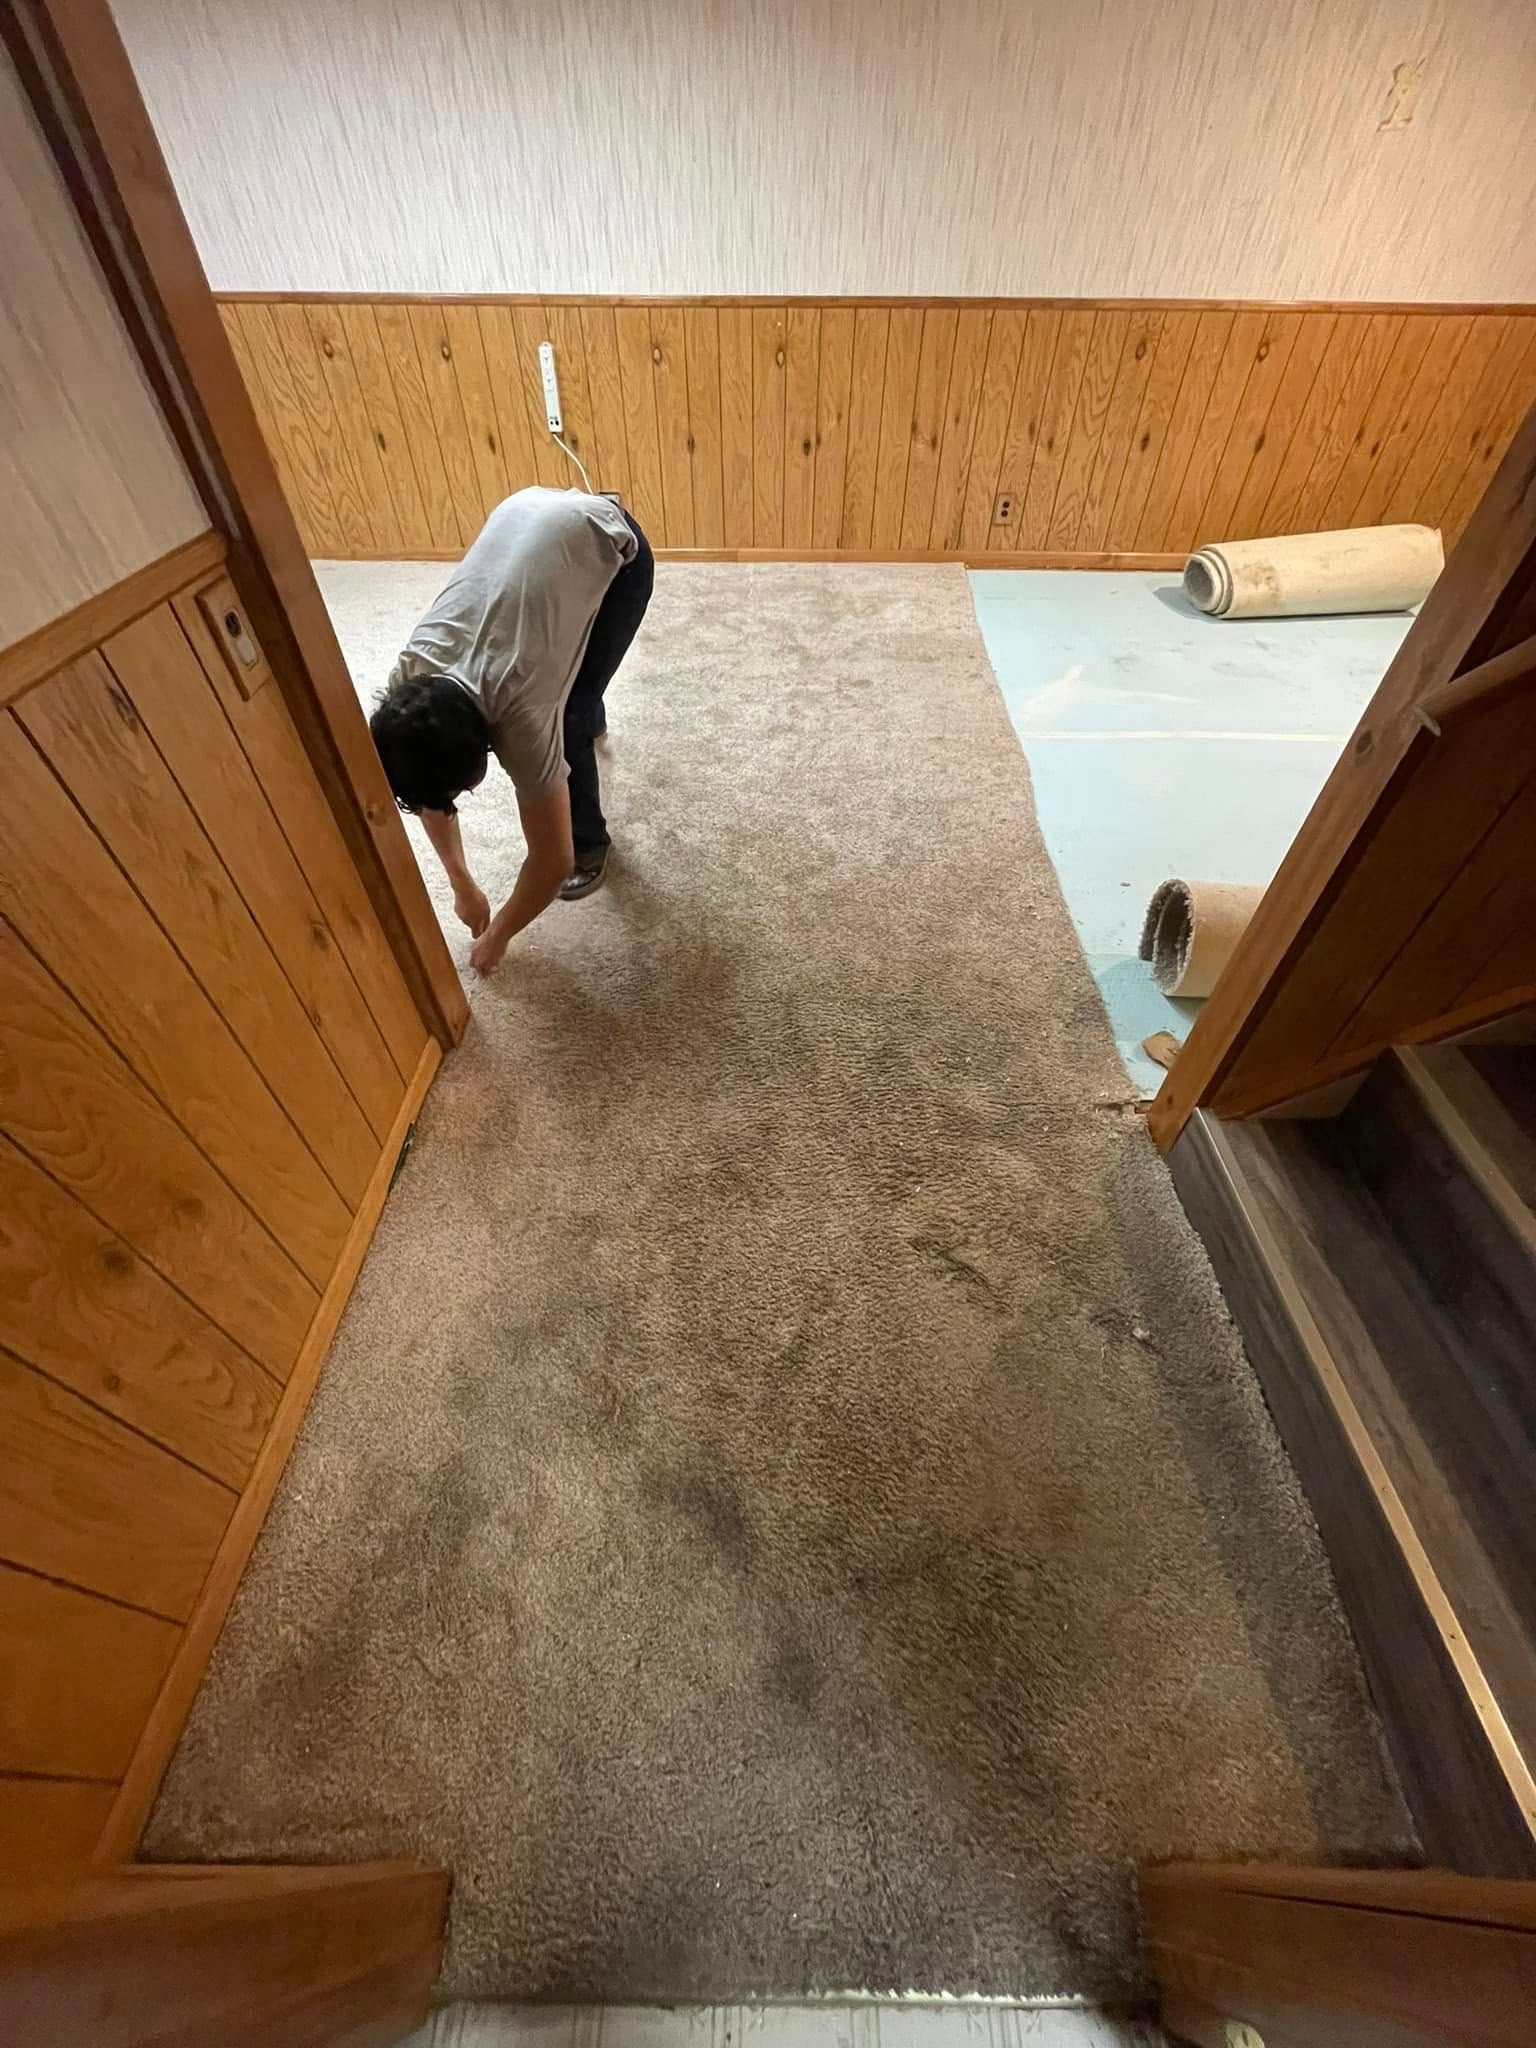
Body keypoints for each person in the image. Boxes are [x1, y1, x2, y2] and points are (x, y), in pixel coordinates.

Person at [369, 486, 654, 973]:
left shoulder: (522, 716)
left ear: (488, 747)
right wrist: (461, 883)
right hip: (529, 510)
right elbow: (425, 786)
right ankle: (587, 700)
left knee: (571, 714)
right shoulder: (408, 677)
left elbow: (552, 860)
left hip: (614, 543)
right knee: (565, 679)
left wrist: (500, 933)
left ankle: (596, 841)